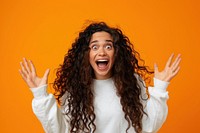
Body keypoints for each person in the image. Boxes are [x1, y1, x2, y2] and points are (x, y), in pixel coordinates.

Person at [19, 22, 181, 133]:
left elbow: (149, 127)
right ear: (86, 54)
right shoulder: (76, 87)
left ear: (116, 52)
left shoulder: (132, 82)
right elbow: (60, 129)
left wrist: (160, 88)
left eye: (108, 46)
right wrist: (40, 95)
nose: (101, 52)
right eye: (94, 46)